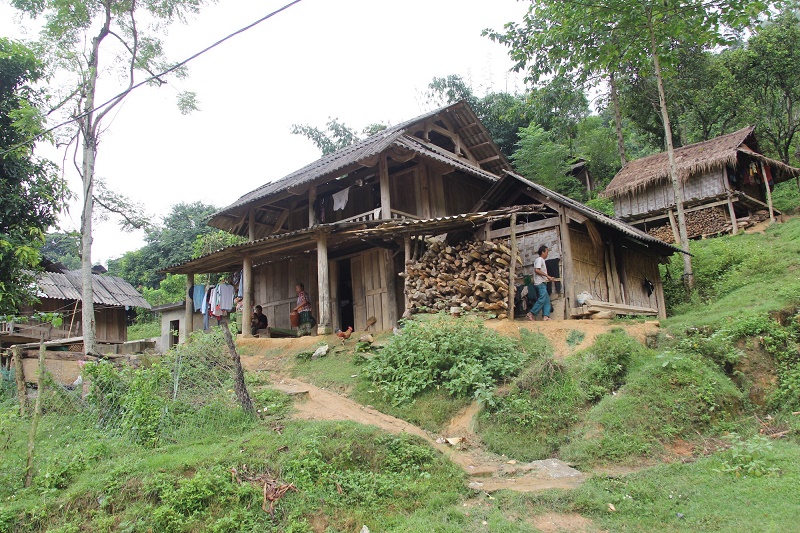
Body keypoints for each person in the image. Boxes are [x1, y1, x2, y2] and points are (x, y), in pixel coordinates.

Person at [527, 245, 556, 321]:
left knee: (546, 300)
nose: (547, 254)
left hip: (542, 282)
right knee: (542, 299)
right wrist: (548, 276)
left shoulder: (541, 260)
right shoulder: (539, 259)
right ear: (542, 252)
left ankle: (546, 316)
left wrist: (548, 278)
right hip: (540, 283)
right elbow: (537, 270)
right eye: (546, 252)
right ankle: (531, 313)